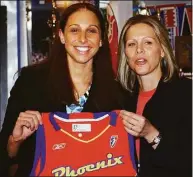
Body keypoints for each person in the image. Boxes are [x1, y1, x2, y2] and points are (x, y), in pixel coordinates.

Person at [0, 3, 125, 177]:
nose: (83, 38)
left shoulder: (117, 92)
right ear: (61, 36)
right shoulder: (31, 82)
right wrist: (15, 140)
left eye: (92, 30)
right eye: (74, 30)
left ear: (101, 39)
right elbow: (5, 157)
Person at [117, 15, 192, 177]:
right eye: (131, 44)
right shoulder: (119, 98)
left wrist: (151, 134)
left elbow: (187, 164)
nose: (139, 50)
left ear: (163, 50)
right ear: (125, 54)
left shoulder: (187, 93)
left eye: (148, 42)